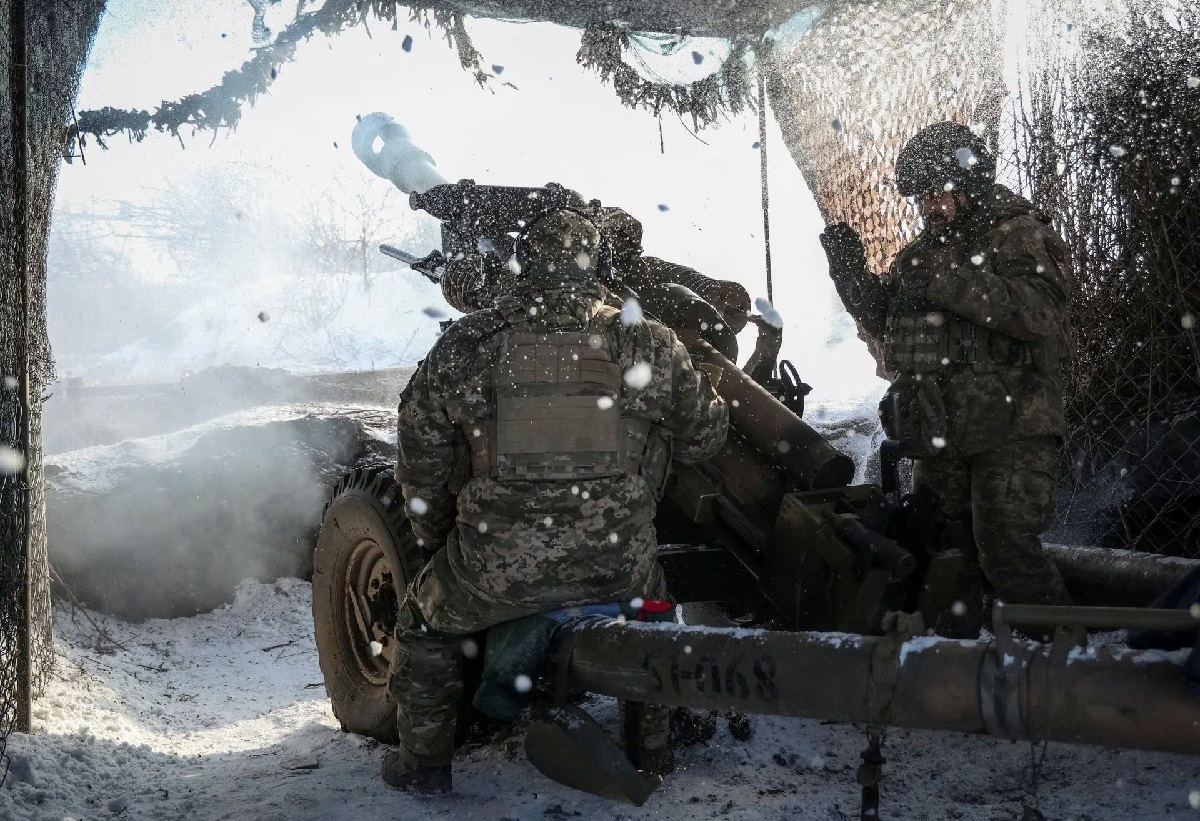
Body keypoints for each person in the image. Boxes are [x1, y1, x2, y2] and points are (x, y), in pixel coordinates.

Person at [384, 208, 730, 795]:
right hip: (618, 561)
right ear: (595, 266)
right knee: (653, 615)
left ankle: (426, 768)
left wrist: (443, 540)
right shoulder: (644, 340)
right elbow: (704, 437)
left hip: (495, 565)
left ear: (525, 265)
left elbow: (420, 466)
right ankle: (652, 754)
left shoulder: (468, 344)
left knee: (422, 624)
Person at [818, 121, 1074, 638]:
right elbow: (891, 321)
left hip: (1012, 425)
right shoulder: (926, 249)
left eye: (939, 193)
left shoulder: (1016, 232)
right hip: (942, 428)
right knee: (943, 558)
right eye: (922, 197)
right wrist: (850, 274)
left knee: (1007, 552)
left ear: (969, 185)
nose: (928, 207)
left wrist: (944, 279)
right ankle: (953, 673)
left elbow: (1039, 312)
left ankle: (1070, 665)